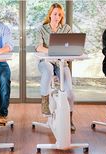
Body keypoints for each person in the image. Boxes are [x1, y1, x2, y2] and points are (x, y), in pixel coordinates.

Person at [35, 3, 76, 132]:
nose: (57, 17)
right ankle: (45, 101)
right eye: (55, 14)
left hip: (61, 62)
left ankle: (69, 119)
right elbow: (38, 47)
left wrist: (68, 54)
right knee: (48, 70)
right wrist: (52, 51)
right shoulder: (42, 29)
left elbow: (71, 46)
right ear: (50, 15)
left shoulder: (66, 29)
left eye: (59, 14)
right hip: (46, 61)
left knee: (69, 90)